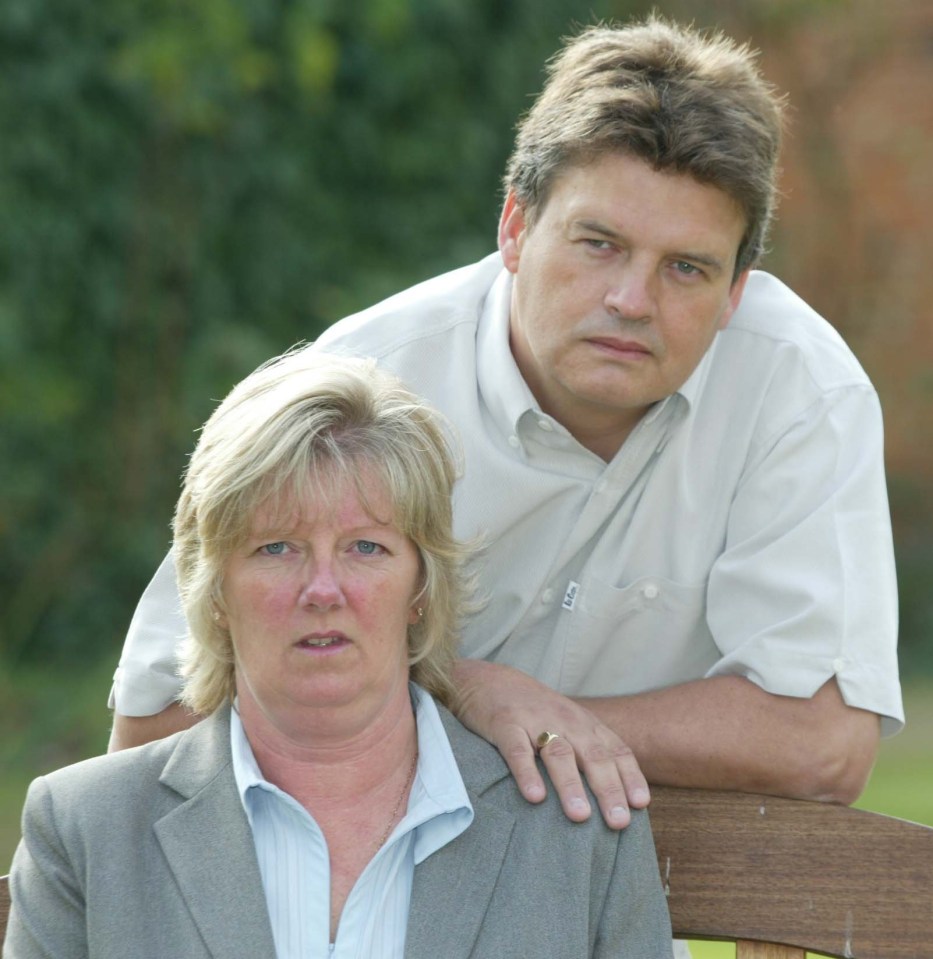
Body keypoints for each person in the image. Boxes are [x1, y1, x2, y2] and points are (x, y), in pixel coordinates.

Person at [107, 16, 902, 831]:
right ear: (515, 228)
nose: (631, 300)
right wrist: (459, 700)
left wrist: (529, 711)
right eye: (598, 243)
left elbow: (822, 742)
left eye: (686, 268)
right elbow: (154, 725)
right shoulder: (362, 385)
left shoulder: (798, 387)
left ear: (736, 290)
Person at [6, 352, 673, 959]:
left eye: (365, 547)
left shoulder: (575, 830)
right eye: (277, 547)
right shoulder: (86, 829)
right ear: (214, 592)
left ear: (420, 585)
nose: (323, 590)